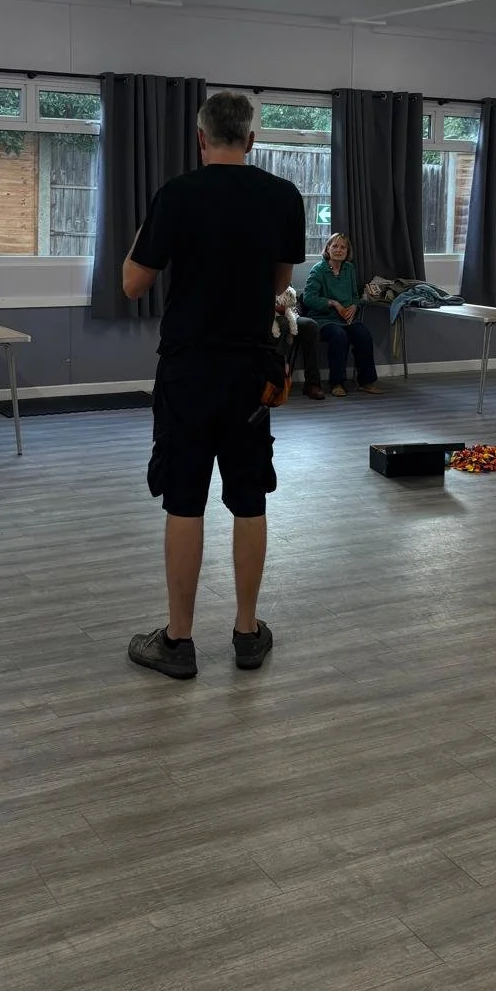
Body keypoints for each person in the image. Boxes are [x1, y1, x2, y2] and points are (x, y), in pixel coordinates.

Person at [122, 91, 306, 680]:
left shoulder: (176, 195)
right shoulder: (283, 197)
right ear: (250, 139)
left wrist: (149, 232)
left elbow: (132, 283)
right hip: (253, 370)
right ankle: (247, 633)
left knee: (185, 500)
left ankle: (178, 642)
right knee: (249, 499)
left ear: (201, 139)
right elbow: (278, 283)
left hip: (189, 370)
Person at [301, 232, 380, 397]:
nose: (339, 250)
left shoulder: (349, 269)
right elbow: (309, 298)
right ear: (328, 249)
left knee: (363, 335)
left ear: (347, 252)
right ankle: (337, 382)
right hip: (323, 319)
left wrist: (354, 305)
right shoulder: (318, 270)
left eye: (343, 247)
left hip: (346, 319)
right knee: (339, 336)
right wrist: (333, 303)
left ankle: (366, 381)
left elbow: (355, 296)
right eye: (335, 246)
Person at [273, 286, 325, 400]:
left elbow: (293, 298)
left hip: (289, 313)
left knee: (310, 326)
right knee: (282, 325)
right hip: (269, 317)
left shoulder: (281, 273)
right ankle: (276, 382)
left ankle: (312, 383)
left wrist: (292, 309)